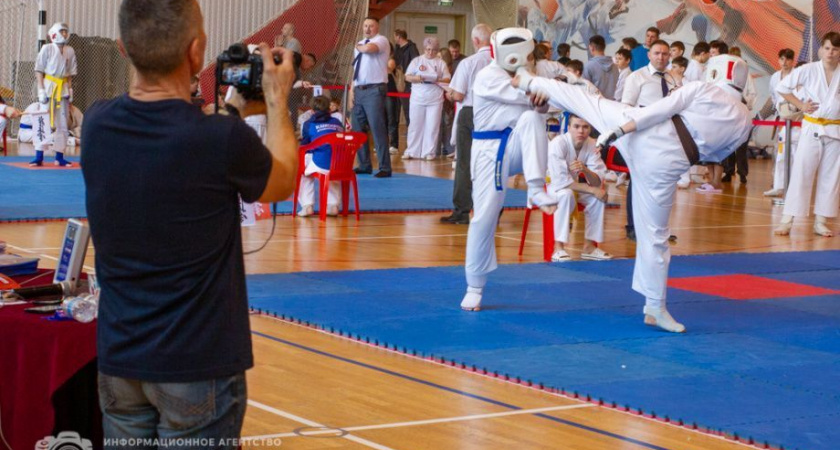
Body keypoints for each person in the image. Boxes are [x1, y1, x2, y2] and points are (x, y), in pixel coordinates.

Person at [82, 0, 298, 443]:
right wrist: (277, 100)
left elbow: (176, 143)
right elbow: (280, 182)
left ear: (123, 48)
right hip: (196, 363)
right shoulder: (219, 140)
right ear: (196, 52)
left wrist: (234, 111)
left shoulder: (97, 126)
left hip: (121, 359)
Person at [515, 54, 753, 332]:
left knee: (589, 102)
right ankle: (655, 306)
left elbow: (659, 110)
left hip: (644, 131)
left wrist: (619, 130)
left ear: (715, 72)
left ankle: (527, 80)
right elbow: (717, 155)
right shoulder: (745, 119)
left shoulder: (703, 89)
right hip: (669, 164)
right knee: (655, 235)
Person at [459, 28, 559, 312]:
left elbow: (538, 106)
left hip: (515, 144)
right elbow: (529, 94)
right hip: (488, 151)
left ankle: (537, 188)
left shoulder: (529, 73)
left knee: (531, 119)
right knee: (484, 218)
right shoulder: (489, 76)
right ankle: (474, 287)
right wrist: (553, 91)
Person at [774, 32, 840, 238]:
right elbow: (782, 87)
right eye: (827, 48)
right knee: (802, 171)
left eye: (835, 49)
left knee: (831, 177)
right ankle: (787, 220)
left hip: (835, 130)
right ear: (821, 49)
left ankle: (821, 221)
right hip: (812, 127)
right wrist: (801, 105)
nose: (831, 52)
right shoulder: (809, 69)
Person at [440, 24, 493, 225]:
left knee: (464, 162)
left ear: (476, 41)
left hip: (471, 112)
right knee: (490, 162)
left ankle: (462, 211)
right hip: (494, 113)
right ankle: (492, 211)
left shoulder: (469, 62)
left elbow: (459, 94)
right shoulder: (500, 63)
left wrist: (450, 93)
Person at [621, 39, 673, 238]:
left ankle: (658, 228)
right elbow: (626, 108)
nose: (661, 57)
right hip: (643, 136)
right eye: (657, 53)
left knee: (663, 184)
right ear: (649, 55)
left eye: (665, 54)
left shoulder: (673, 78)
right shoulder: (637, 77)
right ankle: (633, 227)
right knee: (638, 181)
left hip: (667, 137)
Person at [547, 114, 612, 262]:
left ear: (590, 129)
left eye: (585, 127)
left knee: (598, 196)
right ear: (568, 128)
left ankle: (589, 247)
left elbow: (596, 182)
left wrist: (585, 170)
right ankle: (558, 248)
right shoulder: (558, 144)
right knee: (566, 194)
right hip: (551, 185)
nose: (581, 131)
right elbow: (561, 182)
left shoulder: (591, 144)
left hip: (574, 185)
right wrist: (592, 189)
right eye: (576, 126)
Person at [32, 22, 77, 167]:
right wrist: (41, 90)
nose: (64, 34)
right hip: (48, 87)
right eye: (61, 31)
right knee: (42, 121)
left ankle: (59, 156)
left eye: (65, 32)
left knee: (62, 124)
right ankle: (39, 155)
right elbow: (39, 70)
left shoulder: (70, 51)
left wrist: (70, 90)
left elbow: (69, 73)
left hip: (62, 89)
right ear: (54, 33)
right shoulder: (47, 48)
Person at [351, 17, 392, 177]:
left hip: (374, 90)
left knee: (377, 128)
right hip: (359, 89)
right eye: (365, 25)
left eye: (371, 26)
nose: (368, 29)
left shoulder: (381, 40)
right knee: (357, 129)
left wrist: (359, 46)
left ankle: (384, 167)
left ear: (377, 27)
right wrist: (352, 90)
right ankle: (364, 165)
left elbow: (370, 49)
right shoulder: (360, 44)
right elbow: (356, 68)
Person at [297, 95, 346, 217]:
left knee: (303, 170)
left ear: (312, 111)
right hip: (340, 164)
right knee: (331, 162)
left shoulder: (309, 124)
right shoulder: (337, 122)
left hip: (321, 164)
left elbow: (305, 146)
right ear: (329, 109)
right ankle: (333, 205)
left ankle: (307, 205)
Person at [403, 37, 450, 161]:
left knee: (432, 126)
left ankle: (429, 152)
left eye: (434, 50)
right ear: (424, 49)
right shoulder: (417, 61)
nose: (431, 52)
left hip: (435, 99)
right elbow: (407, 76)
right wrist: (417, 78)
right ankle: (412, 150)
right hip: (418, 97)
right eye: (428, 49)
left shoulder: (441, 63)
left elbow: (447, 79)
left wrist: (436, 79)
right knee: (415, 125)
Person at [764, 48, 798, 198]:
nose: (784, 62)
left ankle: (794, 187)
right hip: (781, 117)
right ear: (778, 60)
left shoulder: (797, 75)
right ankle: (778, 185)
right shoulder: (775, 77)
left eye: (788, 59)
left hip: (797, 119)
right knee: (779, 152)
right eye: (782, 59)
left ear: (792, 61)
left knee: (796, 155)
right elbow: (773, 96)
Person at [394, 29, 420, 141]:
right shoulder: (397, 48)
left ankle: (412, 131)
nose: (395, 39)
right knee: (397, 108)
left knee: (408, 108)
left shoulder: (412, 48)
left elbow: (416, 63)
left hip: (407, 82)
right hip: (397, 80)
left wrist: (408, 75)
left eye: (395, 36)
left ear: (399, 37)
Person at [583, 35, 619, 100]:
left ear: (591, 48)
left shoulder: (589, 66)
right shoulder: (615, 66)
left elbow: (585, 89)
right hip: (612, 104)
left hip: (595, 105)